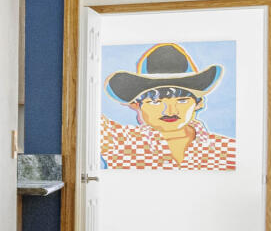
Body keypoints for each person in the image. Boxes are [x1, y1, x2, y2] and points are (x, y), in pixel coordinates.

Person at [99, 42, 235, 172]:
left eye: (182, 100)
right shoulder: (119, 142)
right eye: (155, 102)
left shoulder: (228, 150)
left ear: (198, 103)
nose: (170, 111)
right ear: (136, 105)